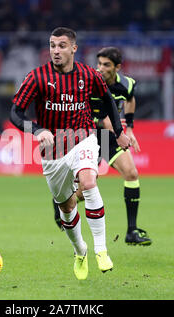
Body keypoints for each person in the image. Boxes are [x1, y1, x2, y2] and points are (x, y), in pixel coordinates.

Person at [10, 27, 131, 280]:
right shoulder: (37, 77)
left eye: (62, 46)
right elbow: (15, 113)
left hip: (83, 139)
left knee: (88, 181)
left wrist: (118, 130)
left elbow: (108, 100)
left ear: (73, 48)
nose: (56, 50)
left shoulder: (88, 75)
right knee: (66, 206)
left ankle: (101, 249)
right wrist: (37, 129)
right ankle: (80, 251)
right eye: (52, 45)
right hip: (52, 152)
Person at [52, 47, 152, 246]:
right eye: (99, 64)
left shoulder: (126, 84)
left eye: (106, 65)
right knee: (83, 191)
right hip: (87, 135)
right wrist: (104, 121)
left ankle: (131, 231)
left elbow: (130, 98)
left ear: (117, 68)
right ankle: (61, 202)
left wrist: (129, 128)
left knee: (131, 174)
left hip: (110, 137)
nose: (100, 68)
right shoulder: (89, 84)